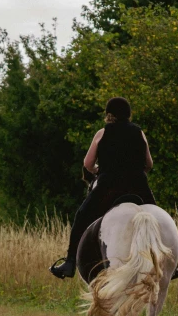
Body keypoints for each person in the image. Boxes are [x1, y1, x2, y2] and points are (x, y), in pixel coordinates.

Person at [49, 97, 157, 279]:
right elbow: (149, 164)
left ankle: (69, 263)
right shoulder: (139, 133)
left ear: (109, 114)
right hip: (137, 185)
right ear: (128, 114)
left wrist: (98, 170)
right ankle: (171, 263)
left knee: (82, 216)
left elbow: (88, 163)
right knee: (157, 219)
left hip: (109, 186)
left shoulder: (102, 133)